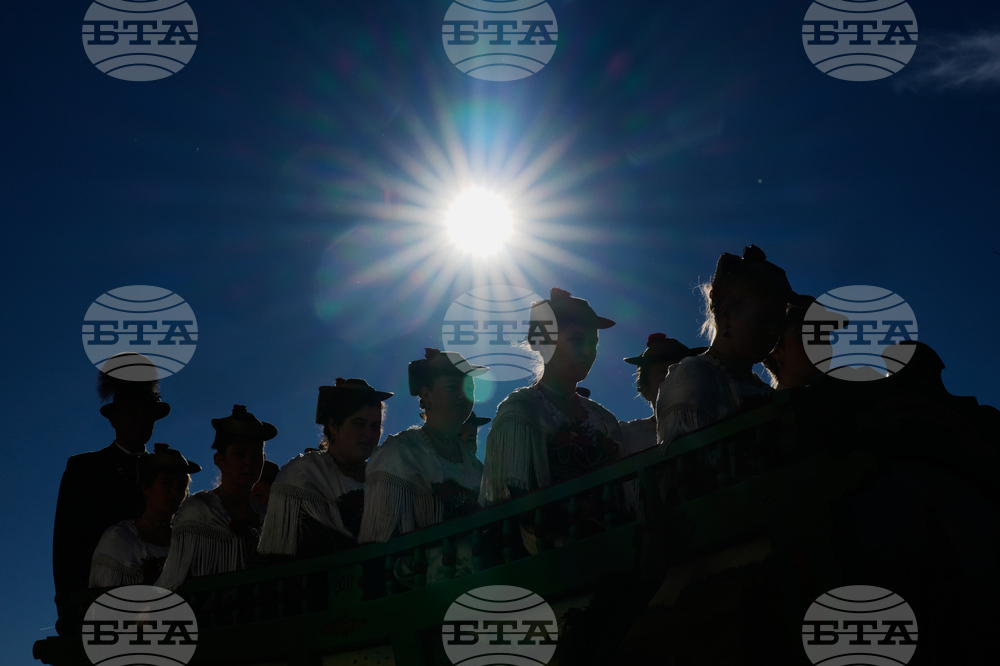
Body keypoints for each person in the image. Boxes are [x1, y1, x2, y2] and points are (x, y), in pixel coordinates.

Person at [480, 288, 625, 507]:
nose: (588, 351)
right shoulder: (520, 412)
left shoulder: (603, 418)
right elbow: (511, 504)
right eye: (577, 340)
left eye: (593, 343)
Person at [656, 245, 810, 449]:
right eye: (763, 320)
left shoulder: (762, 389)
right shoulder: (693, 377)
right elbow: (684, 470)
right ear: (727, 315)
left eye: (779, 322)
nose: (773, 332)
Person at [53, 353, 170, 607]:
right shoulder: (84, 469)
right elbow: (67, 546)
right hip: (99, 594)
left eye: (146, 413)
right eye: (132, 412)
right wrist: (70, 604)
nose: (140, 420)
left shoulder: (167, 472)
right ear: (114, 419)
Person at [358, 349, 486, 544]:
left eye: (469, 388)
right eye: (453, 387)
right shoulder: (399, 454)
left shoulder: (475, 465)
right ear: (426, 395)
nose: (463, 396)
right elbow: (380, 542)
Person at [259, 378, 392, 557]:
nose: (369, 433)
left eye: (375, 426)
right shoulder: (303, 474)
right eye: (359, 424)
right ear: (334, 426)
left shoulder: (384, 477)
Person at [155, 405, 275, 589]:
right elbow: (176, 580)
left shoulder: (264, 515)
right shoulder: (198, 511)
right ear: (220, 460)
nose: (249, 461)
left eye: (256, 454)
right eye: (239, 454)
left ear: (263, 459)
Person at [89, 443, 201, 587]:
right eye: (167, 483)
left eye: (181, 486)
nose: (174, 492)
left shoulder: (188, 540)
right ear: (147, 488)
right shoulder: (120, 537)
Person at [620, 334, 706, 455]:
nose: (677, 384)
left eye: (685, 375)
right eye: (664, 379)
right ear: (645, 392)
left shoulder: (718, 420)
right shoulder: (626, 435)